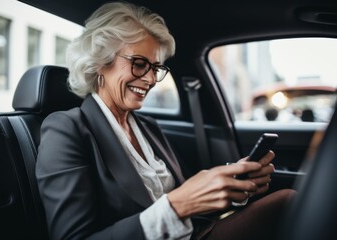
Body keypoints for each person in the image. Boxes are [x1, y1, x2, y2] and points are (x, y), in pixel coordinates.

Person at [35, 2, 295, 240]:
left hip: (197, 233)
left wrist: (230, 189)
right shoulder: (66, 129)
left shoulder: (148, 128)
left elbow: (190, 199)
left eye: (155, 68)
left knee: (287, 203)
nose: (149, 80)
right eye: (139, 64)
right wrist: (177, 206)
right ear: (100, 62)